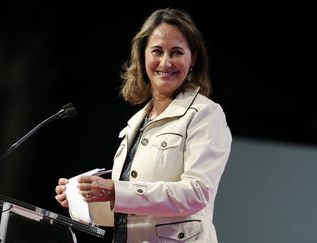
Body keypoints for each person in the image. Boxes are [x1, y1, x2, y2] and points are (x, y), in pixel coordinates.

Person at [55, 7, 232, 243]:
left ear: (193, 60)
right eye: (157, 51)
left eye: (177, 52)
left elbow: (196, 193)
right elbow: (133, 214)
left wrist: (114, 190)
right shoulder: (136, 123)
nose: (165, 62)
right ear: (143, 56)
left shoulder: (206, 114)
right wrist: (83, 199)